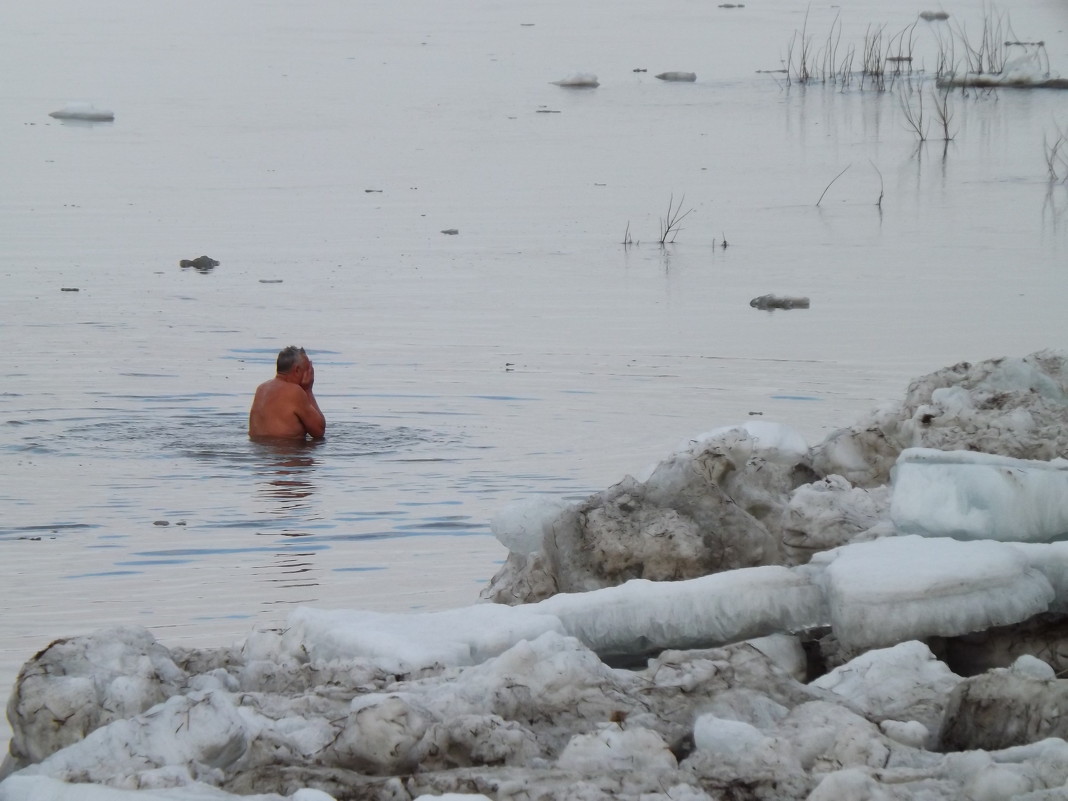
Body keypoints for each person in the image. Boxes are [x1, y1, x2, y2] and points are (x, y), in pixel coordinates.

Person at [248, 346, 326, 440]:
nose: (309, 375)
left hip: (260, 450)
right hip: (286, 448)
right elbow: (319, 431)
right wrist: (308, 390)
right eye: (307, 370)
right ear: (297, 370)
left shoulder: (261, 388)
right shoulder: (295, 391)